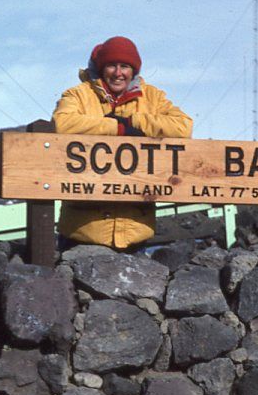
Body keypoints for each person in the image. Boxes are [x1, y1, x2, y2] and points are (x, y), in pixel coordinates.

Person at [52, 36, 193, 251]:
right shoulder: (78, 94)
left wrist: (134, 122)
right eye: (111, 65)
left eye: (125, 66)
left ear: (133, 70)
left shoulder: (153, 97)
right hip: (82, 234)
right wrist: (115, 128)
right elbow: (62, 124)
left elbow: (183, 127)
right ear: (101, 68)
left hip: (135, 235)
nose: (118, 73)